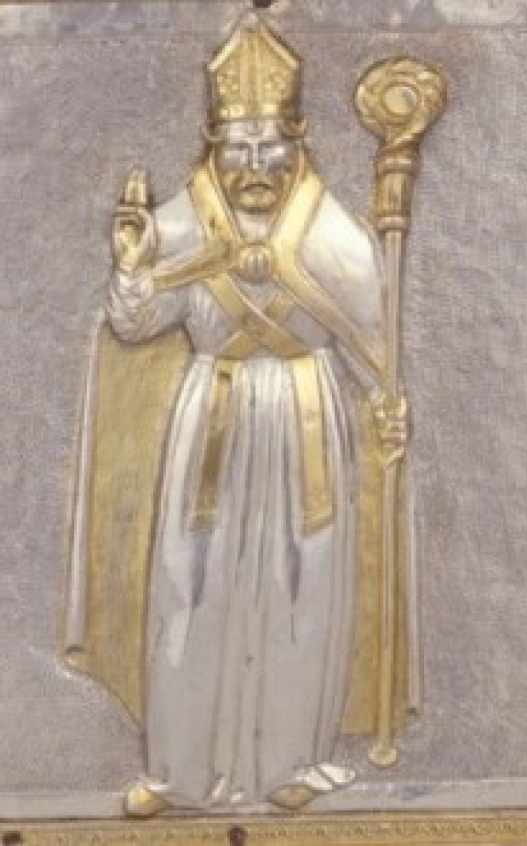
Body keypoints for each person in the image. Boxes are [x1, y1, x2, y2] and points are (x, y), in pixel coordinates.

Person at [62, 17, 414, 814]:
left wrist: (390, 409)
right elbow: (136, 325)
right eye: (239, 149)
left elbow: (375, 348)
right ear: (213, 148)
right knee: (191, 581)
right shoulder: (183, 226)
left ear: (299, 142)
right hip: (210, 422)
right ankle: (178, 771)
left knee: (300, 582)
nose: (255, 167)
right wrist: (132, 270)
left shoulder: (337, 237)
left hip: (304, 416)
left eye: (270, 148)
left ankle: (293, 760)